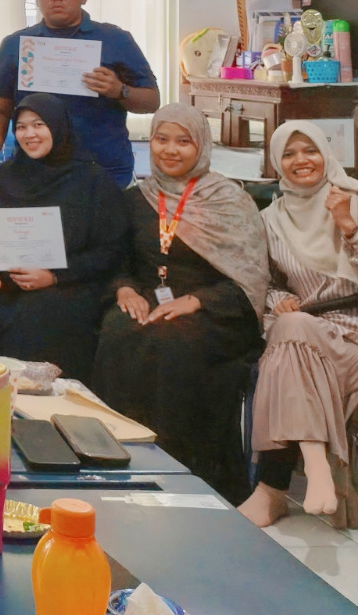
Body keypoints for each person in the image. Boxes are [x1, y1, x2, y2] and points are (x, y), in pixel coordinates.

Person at [93, 104, 267, 504]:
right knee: (118, 330)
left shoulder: (229, 200)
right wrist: (124, 290)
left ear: (201, 146)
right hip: (148, 301)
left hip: (214, 310)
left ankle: (182, 472)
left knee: (174, 343)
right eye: (162, 139)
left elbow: (250, 279)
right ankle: (116, 463)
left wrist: (196, 301)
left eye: (183, 141)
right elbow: (116, 262)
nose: (170, 150)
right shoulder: (136, 198)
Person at [0, 94, 127, 382]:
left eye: (38, 124)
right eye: (21, 127)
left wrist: (54, 276)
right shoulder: (6, 175)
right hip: (8, 282)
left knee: (37, 312)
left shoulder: (92, 180)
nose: (29, 134)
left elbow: (110, 251)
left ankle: (37, 396)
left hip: (69, 283)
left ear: (58, 127)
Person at [239, 121, 358, 528]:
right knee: (290, 328)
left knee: (286, 345)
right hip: (304, 330)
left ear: (326, 154)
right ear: (276, 162)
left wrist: (348, 226)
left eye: (310, 150)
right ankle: (314, 464)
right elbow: (265, 282)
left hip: (352, 332)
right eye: (288, 154)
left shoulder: (352, 200)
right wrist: (278, 300)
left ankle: (271, 491)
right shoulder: (270, 219)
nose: (300, 160)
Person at [0, 0, 158, 195]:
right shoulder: (16, 45)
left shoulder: (115, 39)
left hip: (104, 173)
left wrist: (119, 90)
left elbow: (152, 101)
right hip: (35, 172)